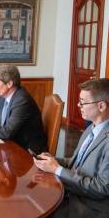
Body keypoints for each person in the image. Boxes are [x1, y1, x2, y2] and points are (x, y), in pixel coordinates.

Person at [34, 78, 109, 217]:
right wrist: (52, 160)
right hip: (72, 191)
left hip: (89, 207)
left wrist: (57, 170)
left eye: (83, 101)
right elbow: (75, 163)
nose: (78, 105)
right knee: (33, 198)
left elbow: (101, 188)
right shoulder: (91, 128)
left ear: (101, 106)